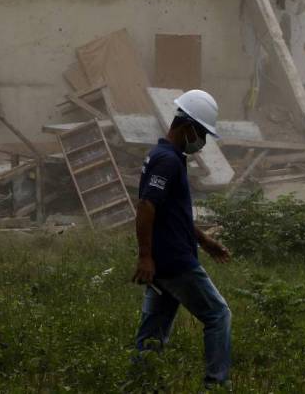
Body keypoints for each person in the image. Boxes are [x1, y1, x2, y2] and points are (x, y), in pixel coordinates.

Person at [131, 89, 232, 391]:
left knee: (154, 328)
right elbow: (147, 205)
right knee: (218, 315)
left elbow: (173, 214)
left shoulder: (165, 156)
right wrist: (144, 255)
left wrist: (204, 241)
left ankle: (141, 383)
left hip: (166, 260)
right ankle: (216, 385)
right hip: (175, 261)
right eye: (200, 133)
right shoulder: (168, 161)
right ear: (187, 126)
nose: (201, 142)